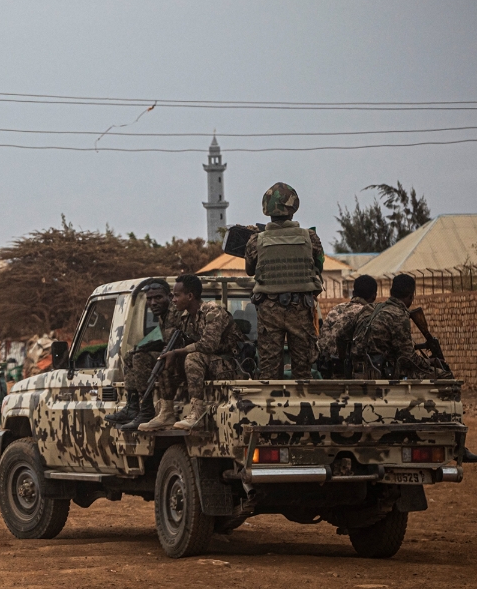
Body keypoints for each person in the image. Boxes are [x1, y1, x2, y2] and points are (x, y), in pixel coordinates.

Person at [245, 182, 325, 380]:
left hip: (269, 309)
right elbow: (318, 266)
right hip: (301, 308)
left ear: (266, 209)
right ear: (293, 208)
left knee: (269, 371)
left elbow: (249, 271)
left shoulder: (256, 240)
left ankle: (271, 409)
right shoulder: (310, 237)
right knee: (303, 370)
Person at [140, 275, 241, 431]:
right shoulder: (186, 317)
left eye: (177, 295)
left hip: (228, 365)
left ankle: (197, 414)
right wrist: (170, 355)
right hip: (207, 365)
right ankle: (166, 413)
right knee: (165, 361)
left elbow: (208, 345)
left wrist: (178, 351)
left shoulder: (212, 311)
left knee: (192, 357)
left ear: (190, 296)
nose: (173, 300)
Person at [351, 274, 449, 379]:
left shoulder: (372, 308)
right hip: (383, 373)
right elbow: (408, 358)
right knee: (444, 376)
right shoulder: (399, 316)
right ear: (411, 296)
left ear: (391, 292)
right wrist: (430, 362)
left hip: (360, 369)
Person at [108, 278, 175, 429]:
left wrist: (144, 349)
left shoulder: (174, 313)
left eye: (158, 297)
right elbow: (165, 340)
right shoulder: (163, 316)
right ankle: (132, 407)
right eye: (150, 299)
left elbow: (173, 342)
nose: (153, 303)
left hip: (180, 357)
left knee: (139, 357)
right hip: (173, 355)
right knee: (130, 354)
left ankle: (146, 410)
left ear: (169, 297)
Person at [317, 275, 378, 378]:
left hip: (325, 371)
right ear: (374, 296)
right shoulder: (368, 314)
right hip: (348, 374)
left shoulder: (336, 309)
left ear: (353, 293)